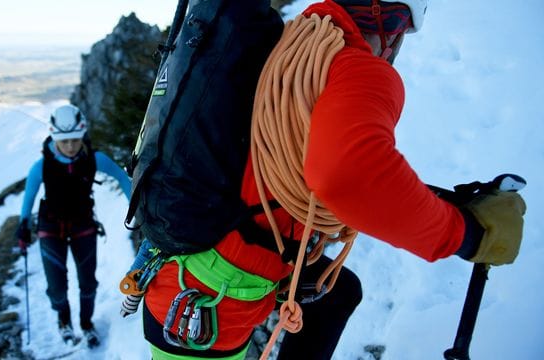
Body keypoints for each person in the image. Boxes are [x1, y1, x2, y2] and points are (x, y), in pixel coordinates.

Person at [140, 1, 526, 359]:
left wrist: (439, 204)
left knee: (338, 293)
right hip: (212, 305)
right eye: (402, 28)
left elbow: (313, 159)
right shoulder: (361, 69)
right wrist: (469, 235)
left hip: (192, 261)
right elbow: (348, 177)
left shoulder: (288, 45)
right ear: (390, 25)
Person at [15, 104, 132, 348]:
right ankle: (64, 321)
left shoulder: (94, 159)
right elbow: (29, 195)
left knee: (88, 281)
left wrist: (136, 206)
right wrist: (23, 225)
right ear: (54, 136)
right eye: (64, 141)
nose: (70, 146)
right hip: (50, 227)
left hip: (83, 224)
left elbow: (122, 177)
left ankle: (86, 324)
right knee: (57, 286)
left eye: (75, 140)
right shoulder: (41, 166)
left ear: (82, 135)